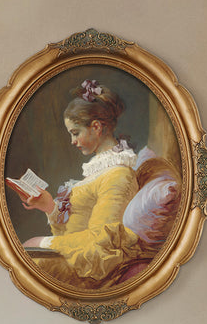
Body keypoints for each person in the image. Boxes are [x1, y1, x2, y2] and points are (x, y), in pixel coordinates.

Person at [12, 80, 148, 289]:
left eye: (75, 133)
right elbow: (74, 232)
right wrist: (49, 206)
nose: (72, 141)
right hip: (79, 259)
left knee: (25, 261)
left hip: (93, 269)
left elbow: (100, 245)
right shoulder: (99, 170)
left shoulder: (118, 175)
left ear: (96, 127)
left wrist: (43, 243)